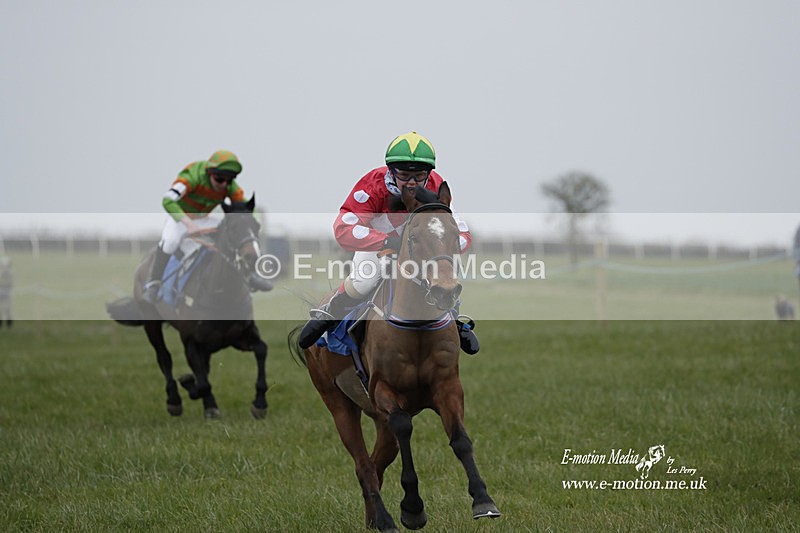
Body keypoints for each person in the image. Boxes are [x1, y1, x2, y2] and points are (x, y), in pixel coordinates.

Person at [298, 132, 479, 353]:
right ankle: (330, 311)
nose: (412, 183)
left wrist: (442, 247)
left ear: (429, 173)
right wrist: (387, 241)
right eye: (403, 175)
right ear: (390, 171)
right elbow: (343, 228)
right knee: (365, 280)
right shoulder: (371, 185)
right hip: (379, 245)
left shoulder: (436, 184)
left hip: (420, 247)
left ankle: (454, 320)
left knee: (443, 274)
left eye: (419, 176)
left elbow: (459, 231)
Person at [143, 149, 270, 304]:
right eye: (219, 179)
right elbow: (167, 201)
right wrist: (188, 224)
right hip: (180, 218)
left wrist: (253, 222)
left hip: (204, 219)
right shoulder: (191, 177)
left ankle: (250, 276)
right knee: (170, 242)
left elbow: (247, 209)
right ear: (210, 173)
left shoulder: (229, 186)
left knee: (234, 235)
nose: (224, 184)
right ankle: (153, 284)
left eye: (229, 180)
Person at [0, 256, 12, 327]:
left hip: (6, 293)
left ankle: (9, 323)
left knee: (7, 308)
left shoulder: (9, 273)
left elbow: (9, 283)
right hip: (2, 293)